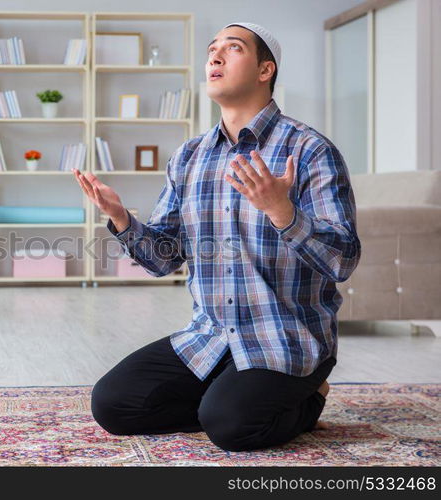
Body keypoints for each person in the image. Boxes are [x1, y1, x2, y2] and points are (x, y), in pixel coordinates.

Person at [73, 22, 361, 452]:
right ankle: (224, 402)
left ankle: (308, 398)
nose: (215, 57)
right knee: (112, 406)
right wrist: (121, 220)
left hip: (286, 337)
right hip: (210, 334)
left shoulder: (310, 150)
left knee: (231, 428)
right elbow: (164, 259)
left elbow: (343, 260)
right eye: (212, 49)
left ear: (266, 70)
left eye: (233, 48)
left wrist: (283, 212)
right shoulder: (189, 157)